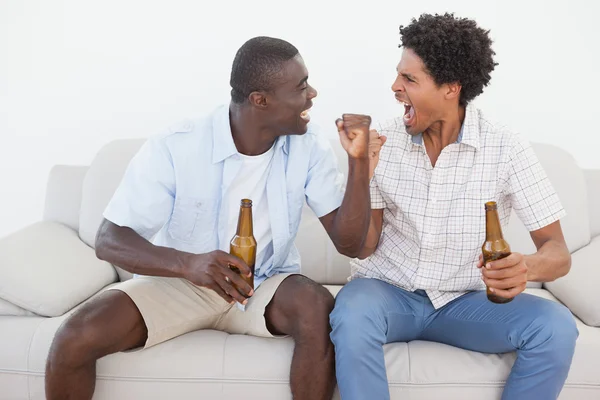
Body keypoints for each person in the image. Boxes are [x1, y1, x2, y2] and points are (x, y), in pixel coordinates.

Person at [45, 36, 380, 400]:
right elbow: (109, 239)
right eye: (301, 87)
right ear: (260, 100)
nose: (312, 93)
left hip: (265, 283)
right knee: (74, 337)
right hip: (183, 282)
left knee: (318, 307)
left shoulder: (309, 145)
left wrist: (359, 161)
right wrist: (189, 264)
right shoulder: (178, 144)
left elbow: (348, 243)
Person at [330, 13, 578, 400]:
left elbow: (559, 254)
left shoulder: (505, 146)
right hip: (386, 295)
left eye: (410, 79)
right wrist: (360, 170)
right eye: (399, 75)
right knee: (351, 312)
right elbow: (362, 246)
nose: (395, 87)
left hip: (465, 302)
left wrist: (524, 267)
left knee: (556, 326)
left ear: (451, 88)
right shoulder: (383, 142)